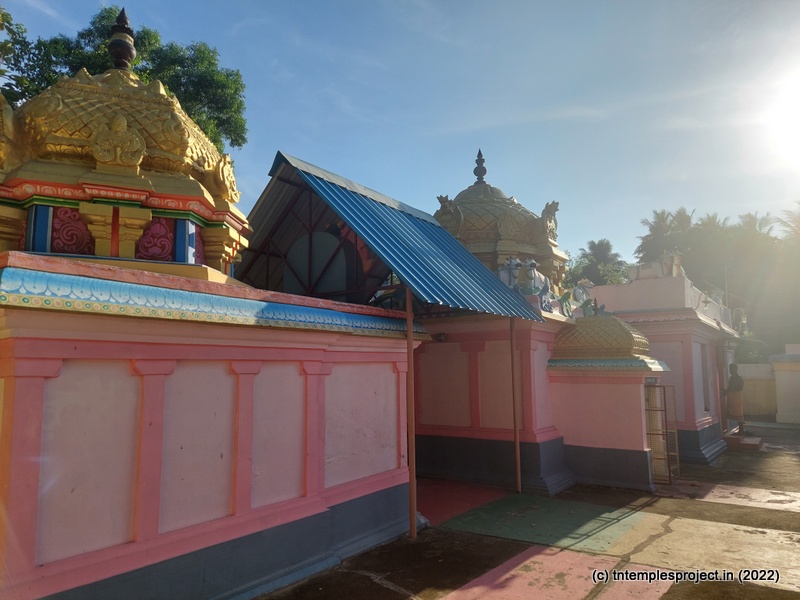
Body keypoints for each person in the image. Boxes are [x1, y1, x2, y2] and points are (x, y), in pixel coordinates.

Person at [723, 363, 745, 436]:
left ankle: (741, 430)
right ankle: (741, 430)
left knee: (738, 414)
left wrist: (726, 391)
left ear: (736, 369)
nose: (730, 371)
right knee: (737, 413)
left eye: (732, 369)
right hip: (735, 396)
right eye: (730, 369)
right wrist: (726, 391)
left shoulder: (736, 378)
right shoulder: (735, 378)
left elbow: (734, 388)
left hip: (736, 396)